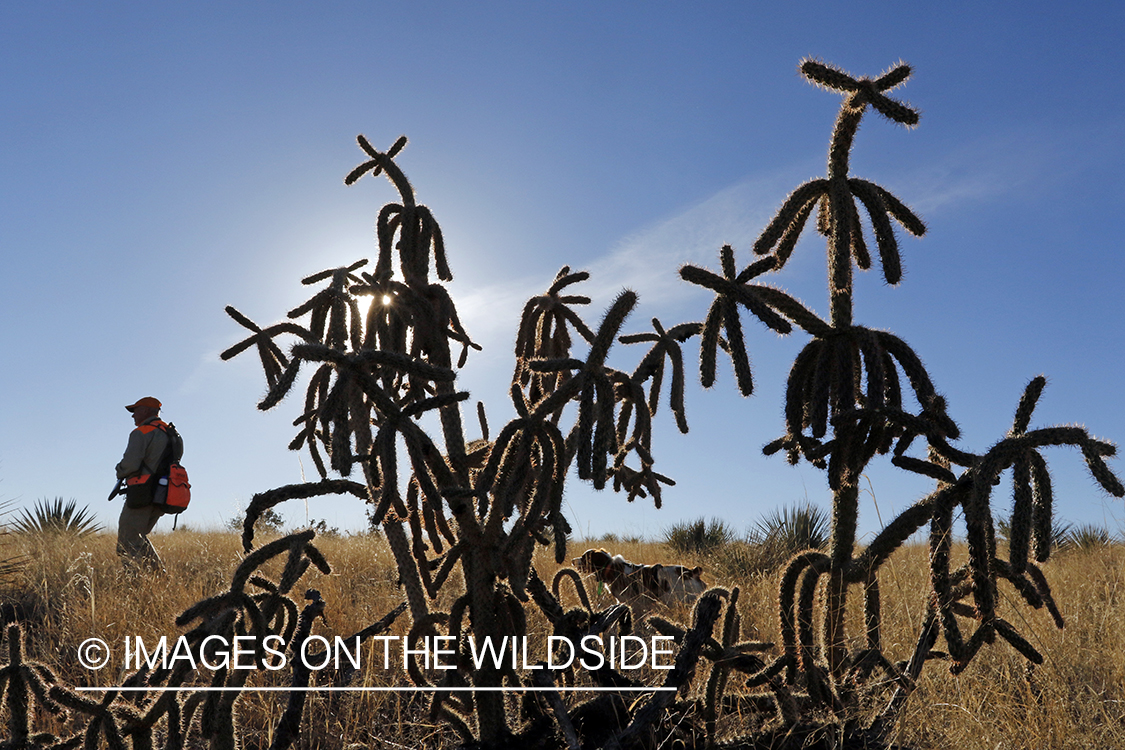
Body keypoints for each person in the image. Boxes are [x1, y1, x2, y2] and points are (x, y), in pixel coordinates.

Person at [114, 396, 181, 572]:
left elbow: (130, 464)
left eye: (135, 411)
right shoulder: (171, 433)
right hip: (164, 494)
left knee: (128, 541)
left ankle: (134, 581)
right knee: (139, 539)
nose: (133, 415)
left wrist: (119, 470)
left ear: (145, 410)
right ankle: (159, 577)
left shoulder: (141, 432)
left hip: (142, 494)